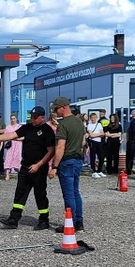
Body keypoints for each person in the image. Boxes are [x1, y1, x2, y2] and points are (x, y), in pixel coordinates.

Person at [0, 106, 56, 230]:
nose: (33, 120)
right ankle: (14, 219)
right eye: (32, 117)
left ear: (42, 117)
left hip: (39, 168)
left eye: (35, 118)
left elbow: (51, 151)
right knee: (20, 192)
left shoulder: (47, 130)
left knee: (40, 194)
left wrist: (39, 165)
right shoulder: (27, 128)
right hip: (25, 166)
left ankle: (43, 220)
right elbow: (10, 135)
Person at [48, 97, 87, 232]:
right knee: (76, 191)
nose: (55, 112)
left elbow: (60, 148)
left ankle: (71, 223)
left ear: (63, 107)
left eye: (56, 109)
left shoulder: (63, 125)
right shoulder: (79, 122)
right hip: (77, 160)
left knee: (68, 194)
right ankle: (79, 221)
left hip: (67, 161)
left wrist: (54, 167)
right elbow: (83, 143)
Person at [3, 113, 23, 180]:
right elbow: (5, 136)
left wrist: (17, 139)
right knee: (8, 158)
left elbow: (23, 137)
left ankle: (20, 175)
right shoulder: (8, 127)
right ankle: (7, 175)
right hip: (11, 144)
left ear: (16, 119)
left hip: (18, 144)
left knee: (18, 158)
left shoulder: (19, 127)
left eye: (14, 118)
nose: (13, 120)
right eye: (11, 119)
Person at [86, 113, 105, 178]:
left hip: (99, 142)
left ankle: (99, 170)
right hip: (92, 142)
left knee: (102, 157)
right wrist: (98, 134)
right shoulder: (89, 125)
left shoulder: (99, 124)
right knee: (93, 157)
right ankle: (94, 171)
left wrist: (95, 134)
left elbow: (103, 133)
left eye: (94, 117)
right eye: (92, 117)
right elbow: (91, 135)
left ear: (96, 118)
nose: (93, 119)